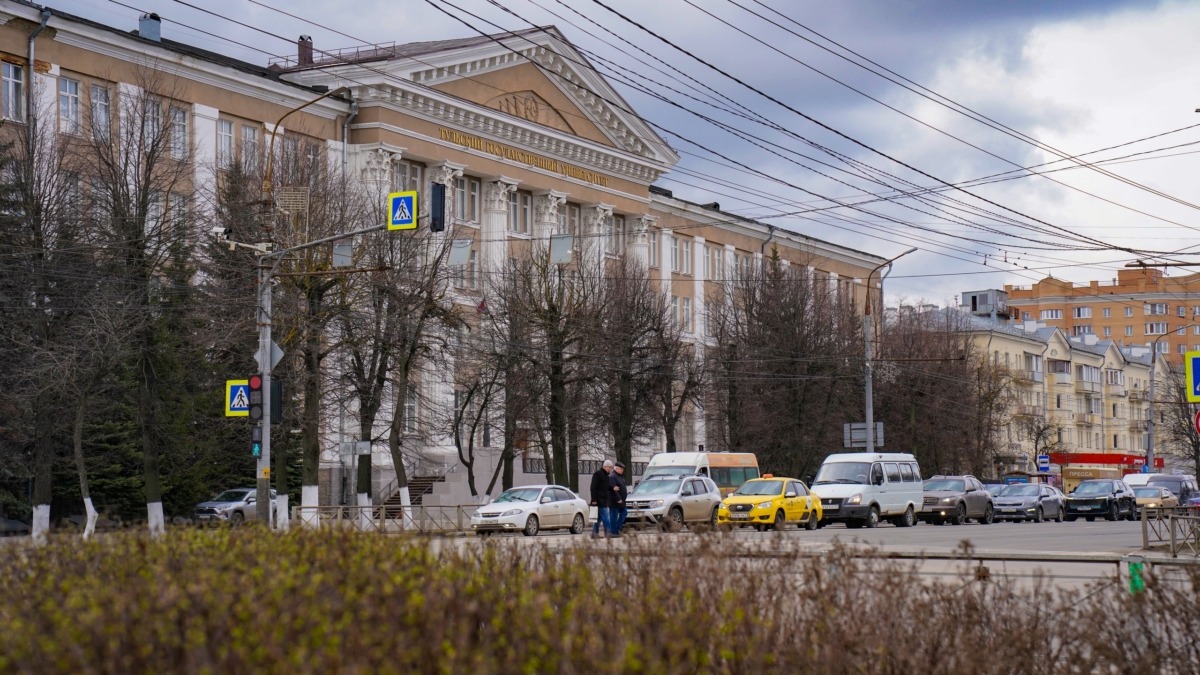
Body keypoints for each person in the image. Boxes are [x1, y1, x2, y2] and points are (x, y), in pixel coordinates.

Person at [589, 460, 614, 539]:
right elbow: (593, 487)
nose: (610, 469)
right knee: (606, 518)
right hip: (598, 500)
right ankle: (608, 533)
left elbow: (606, 487)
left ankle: (594, 534)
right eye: (610, 467)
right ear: (606, 467)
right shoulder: (598, 474)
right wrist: (594, 499)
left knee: (598, 519)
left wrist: (613, 488)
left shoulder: (606, 476)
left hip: (603, 500)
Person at [610, 462, 629, 537]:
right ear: (616, 468)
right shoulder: (612, 477)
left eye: (623, 469)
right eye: (621, 469)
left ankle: (617, 529)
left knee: (624, 513)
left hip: (622, 501)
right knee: (614, 517)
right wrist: (618, 499)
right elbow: (613, 490)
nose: (622, 470)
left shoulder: (620, 476)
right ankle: (613, 532)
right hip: (615, 501)